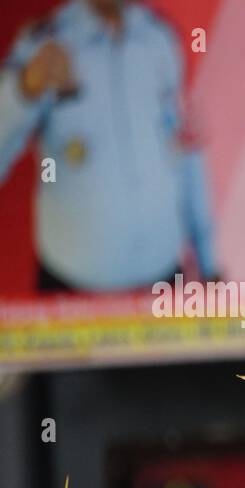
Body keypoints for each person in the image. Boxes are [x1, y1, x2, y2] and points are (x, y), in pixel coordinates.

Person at [0, 0, 219, 292]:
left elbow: (185, 153)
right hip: (72, 286)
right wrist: (24, 88)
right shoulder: (45, 41)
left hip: (163, 277)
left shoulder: (160, 38)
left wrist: (208, 263)